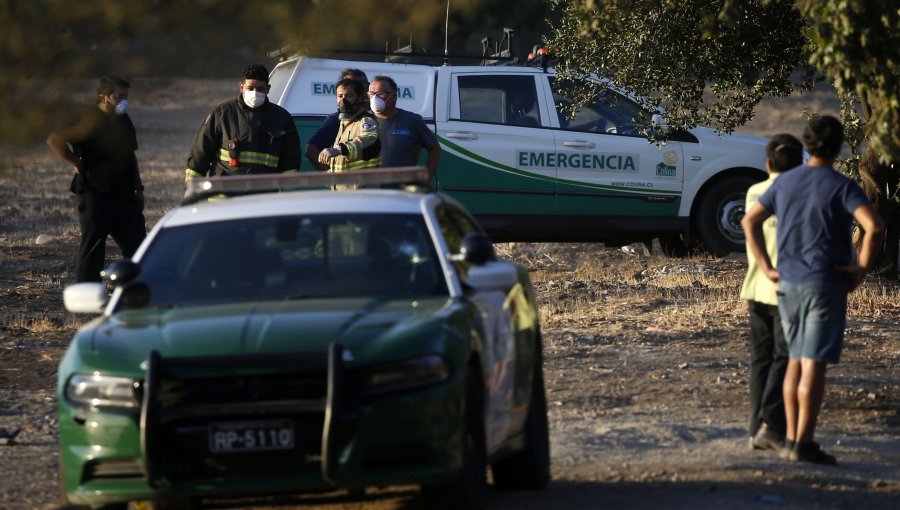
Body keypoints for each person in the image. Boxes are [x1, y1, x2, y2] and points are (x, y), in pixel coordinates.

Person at [742, 115, 884, 465]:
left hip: (787, 282)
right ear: (838, 147)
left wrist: (764, 265)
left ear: (808, 144)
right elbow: (874, 227)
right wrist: (861, 269)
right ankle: (802, 442)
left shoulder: (785, 182)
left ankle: (789, 437)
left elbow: (750, 221)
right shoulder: (841, 185)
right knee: (813, 364)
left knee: (793, 361)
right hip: (825, 283)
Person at [47, 75, 146, 282]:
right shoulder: (87, 119)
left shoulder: (124, 120)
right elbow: (55, 140)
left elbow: (130, 155)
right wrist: (75, 161)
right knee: (93, 247)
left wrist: (138, 187)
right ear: (104, 96)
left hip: (124, 195)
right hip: (95, 193)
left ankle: (136, 290)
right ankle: (87, 293)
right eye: (119, 96)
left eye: (126, 97)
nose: (124, 101)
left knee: (139, 248)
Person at [739, 133, 803, 452]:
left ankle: (754, 427)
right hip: (786, 286)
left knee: (760, 359)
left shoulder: (754, 192)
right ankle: (770, 424)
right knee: (785, 357)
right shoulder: (800, 195)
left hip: (755, 284)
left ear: (767, 163)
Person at [185, 64, 300, 181]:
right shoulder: (222, 114)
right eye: (250, 88)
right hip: (224, 194)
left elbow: (291, 160)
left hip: (263, 194)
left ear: (268, 89)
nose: (255, 93)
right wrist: (191, 188)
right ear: (241, 87)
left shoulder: (282, 118)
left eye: (260, 89)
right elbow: (200, 154)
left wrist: (288, 189)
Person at [367, 75, 441, 177]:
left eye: (380, 93)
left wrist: (425, 179)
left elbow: (435, 149)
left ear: (394, 96)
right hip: (370, 189)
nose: (375, 97)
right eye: (371, 93)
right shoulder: (362, 120)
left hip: (401, 189)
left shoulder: (412, 120)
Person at [306, 68, 369, 171]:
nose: (349, 88)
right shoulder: (336, 119)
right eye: (346, 84)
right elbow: (311, 150)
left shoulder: (378, 116)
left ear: (367, 86)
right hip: (350, 184)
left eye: (354, 84)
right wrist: (329, 178)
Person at [316, 77, 381, 173]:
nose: (343, 100)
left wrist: (340, 149)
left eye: (348, 96)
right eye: (340, 96)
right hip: (344, 186)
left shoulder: (366, 120)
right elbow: (345, 163)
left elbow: (369, 141)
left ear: (359, 98)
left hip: (362, 186)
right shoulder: (344, 123)